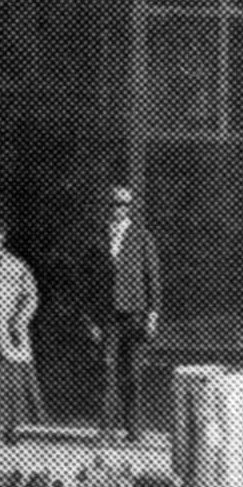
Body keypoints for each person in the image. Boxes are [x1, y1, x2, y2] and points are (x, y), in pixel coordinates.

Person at [93, 183, 163, 443]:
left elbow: (152, 278)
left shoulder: (142, 236)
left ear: (129, 208)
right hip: (107, 316)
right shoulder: (98, 236)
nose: (118, 208)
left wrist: (152, 315)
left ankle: (133, 430)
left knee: (132, 371)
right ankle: (106, 429)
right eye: (114, 203)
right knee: (106, 368)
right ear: (108, 206)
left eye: (123, 204)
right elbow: (87, 282)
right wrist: (90, 320)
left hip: (134, 315)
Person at [0, 218, 45, 443]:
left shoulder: (16, 265)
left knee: (11, 376)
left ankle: (14, 428)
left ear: (2, 237)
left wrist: (20, 319)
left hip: (10, 329)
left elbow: (32, 296)